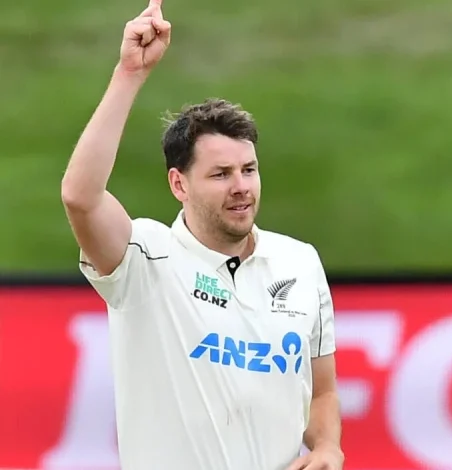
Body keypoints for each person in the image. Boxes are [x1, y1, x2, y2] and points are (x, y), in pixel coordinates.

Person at [60, 1, 344, 469]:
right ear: (179, 184)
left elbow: (322, 392)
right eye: (220, 174)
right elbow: (80, 197)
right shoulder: (144, 258)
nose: (241, 186)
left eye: (248, 169)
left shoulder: (300, 261)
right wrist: (129, 74)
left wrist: (329, 447)